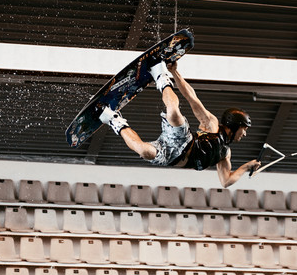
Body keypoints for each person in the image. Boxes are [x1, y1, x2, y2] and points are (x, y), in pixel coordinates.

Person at [98, 60, 260, 187]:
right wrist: (174, 72)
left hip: (171, 158)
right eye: (244, 129)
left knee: (145, 152)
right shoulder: (212, 125)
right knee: (174, 114)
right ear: (234, 124)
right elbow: (191, 98)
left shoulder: (225, 153)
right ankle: (161, 77)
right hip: (182, 140)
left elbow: (226, 181)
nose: (244, 134)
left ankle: (114, 120)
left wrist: (246, 167)